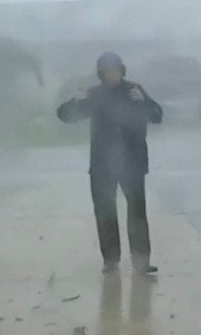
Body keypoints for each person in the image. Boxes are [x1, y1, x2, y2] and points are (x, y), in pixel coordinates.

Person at [57, 52, 163, 274]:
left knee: (137, 213)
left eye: (115, 69)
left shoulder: (134, 90)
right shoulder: (94, 95)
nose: (111, 74)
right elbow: (65, 116)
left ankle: (141, 261)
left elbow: (157, 116)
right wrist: (74, 102)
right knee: (105, 211)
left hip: (132, 163)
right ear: (100, 74)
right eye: (107, 71)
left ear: (122, 70)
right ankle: (111, 259)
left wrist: (143, 103)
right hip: (102, 164)